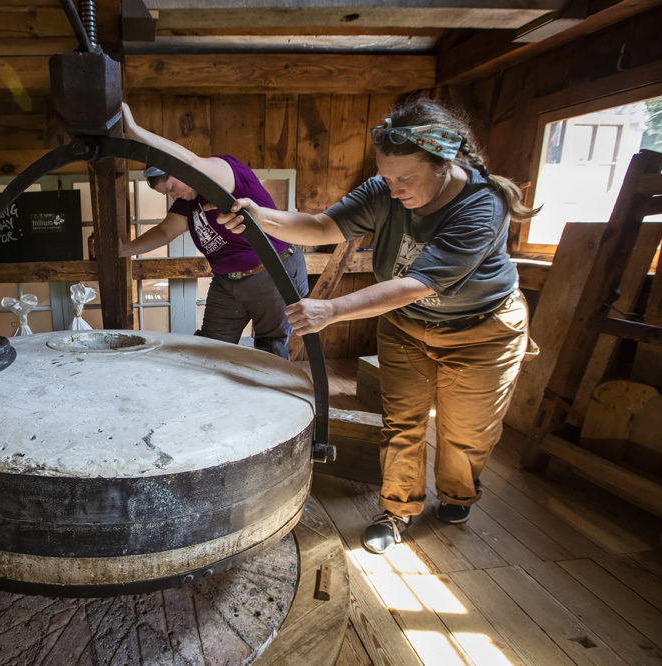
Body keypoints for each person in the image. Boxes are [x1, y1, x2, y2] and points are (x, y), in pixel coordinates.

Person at [218, 97, 539, 554]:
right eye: (386, 177)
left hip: (481, 330)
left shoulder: (481, 207)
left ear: (445, 164)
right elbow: (318, 225)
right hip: (409, 326)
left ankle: (457, 495)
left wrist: (330, 310)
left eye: (405, 178)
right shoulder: (384, 189)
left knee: (466, 433)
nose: (392, 189)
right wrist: (258, 215)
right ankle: (398, 510)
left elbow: (417, 283)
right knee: (401, 423)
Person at [118, 102, 308, 358]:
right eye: (167, 194)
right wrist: (124, 249)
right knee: (210, 349)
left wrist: (135, 131)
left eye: (172, 187)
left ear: (180, 171)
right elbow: (164, 233)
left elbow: (191, 161)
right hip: (227, 282)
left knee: (269, 351)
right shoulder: (187, 204)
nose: (174, 195)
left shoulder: (225, 172)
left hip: (272, 272)